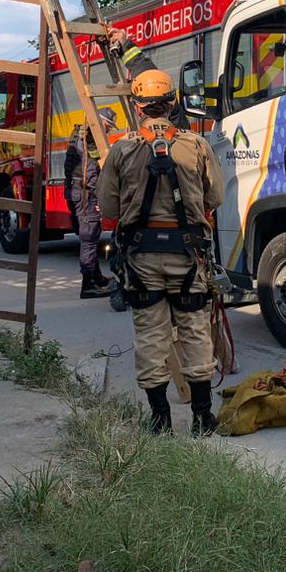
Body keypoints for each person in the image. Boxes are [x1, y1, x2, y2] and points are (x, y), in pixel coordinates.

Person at [97, 69, 224, 436]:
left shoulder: (122, 149)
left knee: (151, 337)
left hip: (142, 260)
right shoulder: (196, 145)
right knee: (195, 331)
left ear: (137, 108)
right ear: (173, 103)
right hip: (188, 257)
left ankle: (160, 421)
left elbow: (108, 208)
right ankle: (202, 418)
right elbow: (214, 198)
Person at [64, 107, 116, 299]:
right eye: (108, 127)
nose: (109, 131)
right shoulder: (89, 141)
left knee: (90, 236)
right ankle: (88, 286)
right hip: (85, 194)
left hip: (76, 192)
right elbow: (91, 174)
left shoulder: (80, 135)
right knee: (89, 239)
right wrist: (102, 198)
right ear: (101, 122)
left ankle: (96, 277)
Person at [106, 27, 188, 128]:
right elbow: (148, 74)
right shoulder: (192, 139)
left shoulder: (130, 143)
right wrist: (125, 44)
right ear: (171, 104)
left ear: (139, 109)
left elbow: (146, 73)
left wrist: (124, 45)